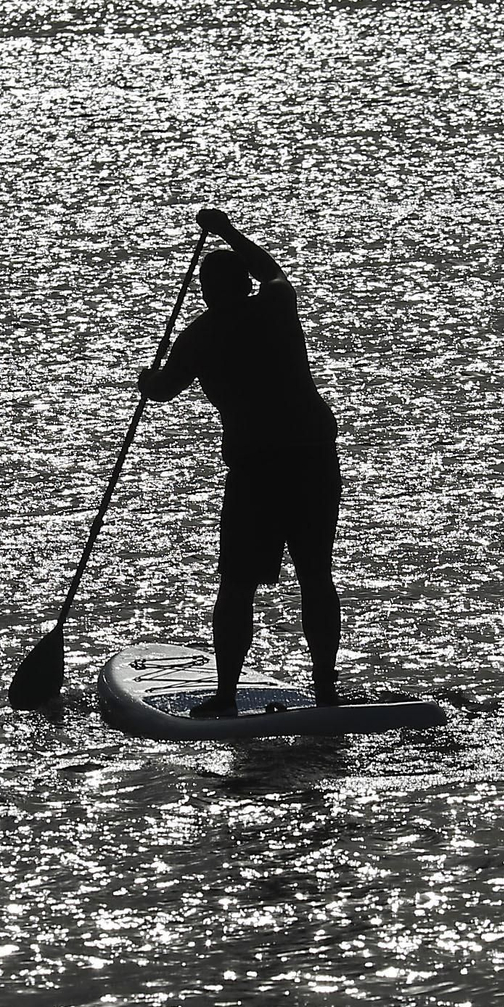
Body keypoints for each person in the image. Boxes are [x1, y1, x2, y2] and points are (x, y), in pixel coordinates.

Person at [138, 208, 343, 718]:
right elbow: (271, 269)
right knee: (315, 575)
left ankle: (226, 696)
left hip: (258, 474)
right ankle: (325, 693)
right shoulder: (275, 305)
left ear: (208, 293)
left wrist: (147, 378)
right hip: (312, 462)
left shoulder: (199, 337)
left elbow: (163, 391)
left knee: (236, 582)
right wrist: (228, 231)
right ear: (244, 284)